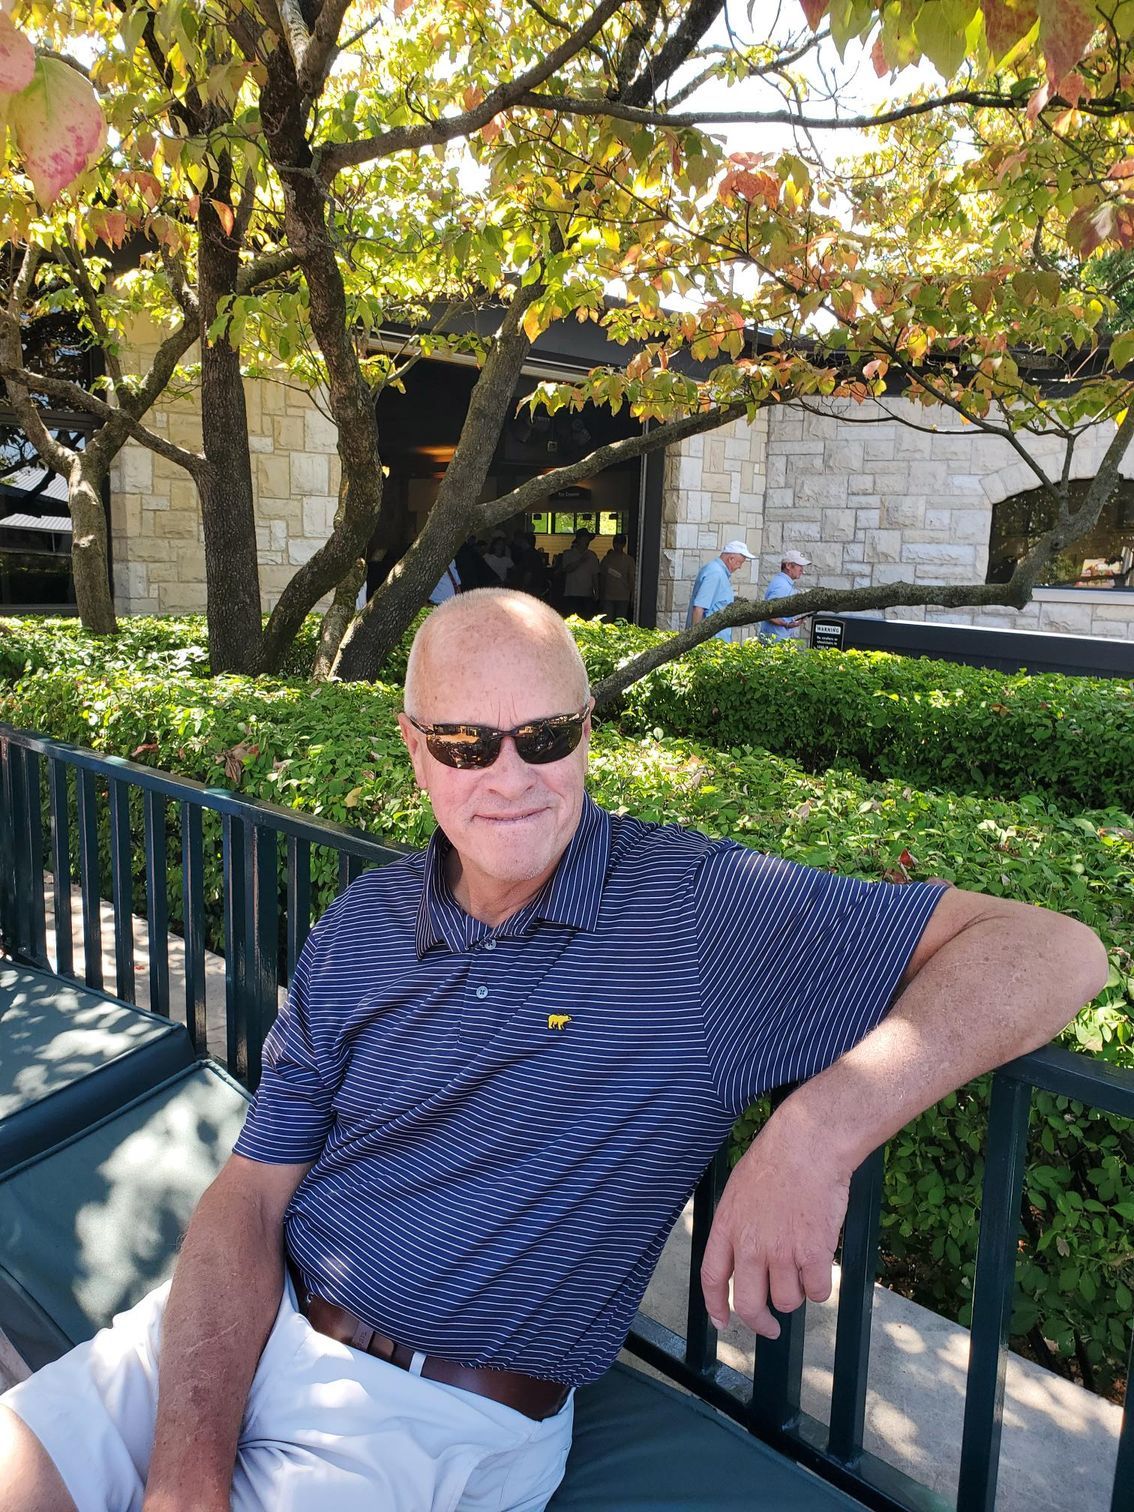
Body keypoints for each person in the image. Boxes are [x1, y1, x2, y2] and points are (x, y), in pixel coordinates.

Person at [1, 589, 1108, 1512]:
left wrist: (818, 1129)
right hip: (225, 1326)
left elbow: (1053, 951)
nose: (510, 774)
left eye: (545, 736)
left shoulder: (697, 914)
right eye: (467, 743)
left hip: (421, 1425)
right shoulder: (364, 925)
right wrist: (184, 1478)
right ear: (416, 751)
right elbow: (249, 1198)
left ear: (589, 729)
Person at [685, 538, 757, 641]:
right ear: (731, 559)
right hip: (710, 645)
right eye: (739, 562)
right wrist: (695, 642)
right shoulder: (715, 573)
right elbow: (699, 607)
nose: (740, 567)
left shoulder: (717, 571)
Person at [758, 549, 810, 640]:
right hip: (774, 643)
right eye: (799, 566)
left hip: (776, 640)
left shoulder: (782, 582)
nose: (802, 570)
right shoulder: (782, 585)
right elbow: (767, 612)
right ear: (788, 565)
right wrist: (787, 624)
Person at [557, 528, 599, 618]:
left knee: (586, 620)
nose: (587, 541)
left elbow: (595, 575)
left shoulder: (592, 555)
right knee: (571, 620)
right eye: (585, 538)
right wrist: (580, 561)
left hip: (587, 594)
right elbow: (567, 569)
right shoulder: (568, 554)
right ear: (579, 539)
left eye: (588, 539)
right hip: (572, 593)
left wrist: (597, 592)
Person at [597, 533, 635, 620]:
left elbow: (631, 579)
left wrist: (632, 595)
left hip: (623, 597)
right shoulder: (607, 559)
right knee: (607, 623)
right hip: (609, 596)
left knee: (619, 622)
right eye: (616, 542)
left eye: (620, 543)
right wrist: (601, 595)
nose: (617, 545)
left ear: (624, 544)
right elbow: (602, 578)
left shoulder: (629, 560)